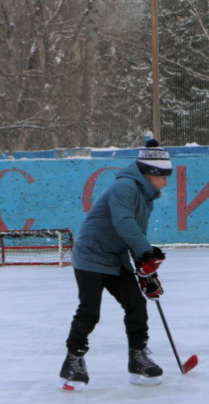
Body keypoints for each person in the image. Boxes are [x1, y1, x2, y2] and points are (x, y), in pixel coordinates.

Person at [59, 139, 172, 390]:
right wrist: (146, 252)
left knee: (136, 304)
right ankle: (73, 361)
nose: (166, 182)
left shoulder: (145, 197)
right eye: (163, 176)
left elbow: (133, 233)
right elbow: (124, 223)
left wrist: (145, 271)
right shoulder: (125, 187)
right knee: (90, 310)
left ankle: (138, 358)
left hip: (115, 257)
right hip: (91, 255)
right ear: (151, 174)